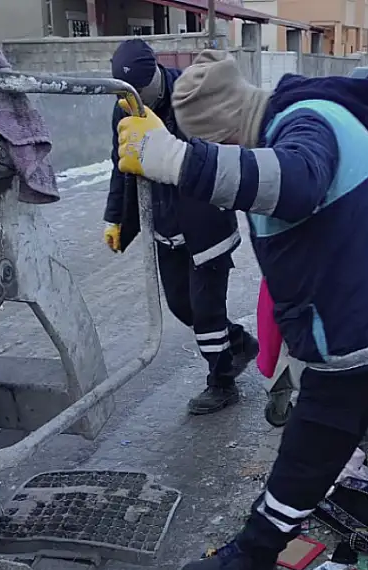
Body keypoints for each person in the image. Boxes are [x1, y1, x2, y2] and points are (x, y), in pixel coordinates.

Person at [114, 50, 368, 570]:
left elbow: (295, 184)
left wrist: (178, 161)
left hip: (363, 327)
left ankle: (256, 551)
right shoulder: (307, 116)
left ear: (230, 128)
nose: (225, 160)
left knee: (309, 450)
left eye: (219, 148)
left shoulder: (304, 125)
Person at [104, 40, 258, 415]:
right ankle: (238, 343)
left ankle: (221, 384)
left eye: (141, 91)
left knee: (206, 312)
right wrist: (116, 218)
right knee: (181, 307)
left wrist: (166, 143)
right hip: (165, 226)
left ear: (156, 74)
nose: (134, 99)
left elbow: (215, 155)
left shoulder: (191, 96)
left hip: (206, 225)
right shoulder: (123, 108)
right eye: (127, 93)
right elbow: (120, 165)